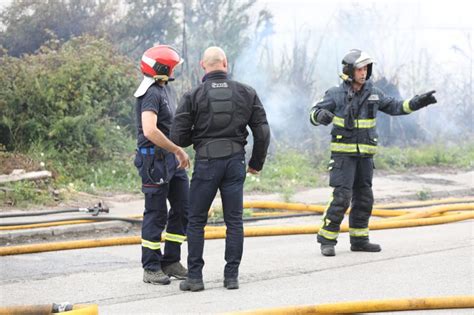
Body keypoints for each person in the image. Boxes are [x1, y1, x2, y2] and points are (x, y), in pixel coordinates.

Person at [309, 49, 437, 257]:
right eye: (360, 69)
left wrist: (418, 102)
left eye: (366, 68)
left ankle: (359, 240)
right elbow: (313, 113)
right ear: (349, 71)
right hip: (343, 157)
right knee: (342, 197)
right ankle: (327, 239)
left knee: (364, 198)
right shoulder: (335, 94)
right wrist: (320, 115)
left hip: (365, 157)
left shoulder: (374, 93)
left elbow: (397, 107)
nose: (364, 72)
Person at [171, 46, 270, 291]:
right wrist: (256, 163)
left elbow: (177, 136)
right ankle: (231, 277)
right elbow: (263, 132)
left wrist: (200, 136)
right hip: (235, 163)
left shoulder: (193, 95)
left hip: (206, 163)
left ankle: (194, 278)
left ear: (202, 66)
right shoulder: (247, 93)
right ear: (225, 63)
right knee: (234, 221)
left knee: (196, 221)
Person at [133, 45, 191, 284]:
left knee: (183, 208)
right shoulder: (150, 93)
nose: (174, 69)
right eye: (171, 66)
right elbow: (150, 130)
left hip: (170, 160)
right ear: (161, 68)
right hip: (153, 161)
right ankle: (151, 266)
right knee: (156, 214)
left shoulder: (164, 89)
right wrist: (177, 149)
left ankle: (171, 261)